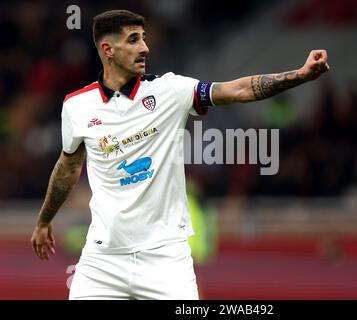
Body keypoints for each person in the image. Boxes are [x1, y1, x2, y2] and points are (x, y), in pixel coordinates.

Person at [30, 9, 330, 300]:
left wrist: (300, 75)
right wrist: (45, 220)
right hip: (102, 259)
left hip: (166, 259)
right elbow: (68, 167)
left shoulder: (170, 90)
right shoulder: (77, 106)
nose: (145, 47)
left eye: (144, 38)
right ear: (108, 49)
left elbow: (236, 90)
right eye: (134, 39)